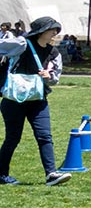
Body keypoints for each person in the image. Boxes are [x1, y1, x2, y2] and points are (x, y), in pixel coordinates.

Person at [0, 16, 69, 186]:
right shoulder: (22, 44)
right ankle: (1, 174)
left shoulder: (54, 52)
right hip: (13, 99)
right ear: (41, 31)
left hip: (38, 100)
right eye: (52, 29)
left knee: (45, 136)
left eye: (56, 29)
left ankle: (51, 174)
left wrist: (48, 77)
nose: (55, 32)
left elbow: (55, 78)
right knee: (13, 138)